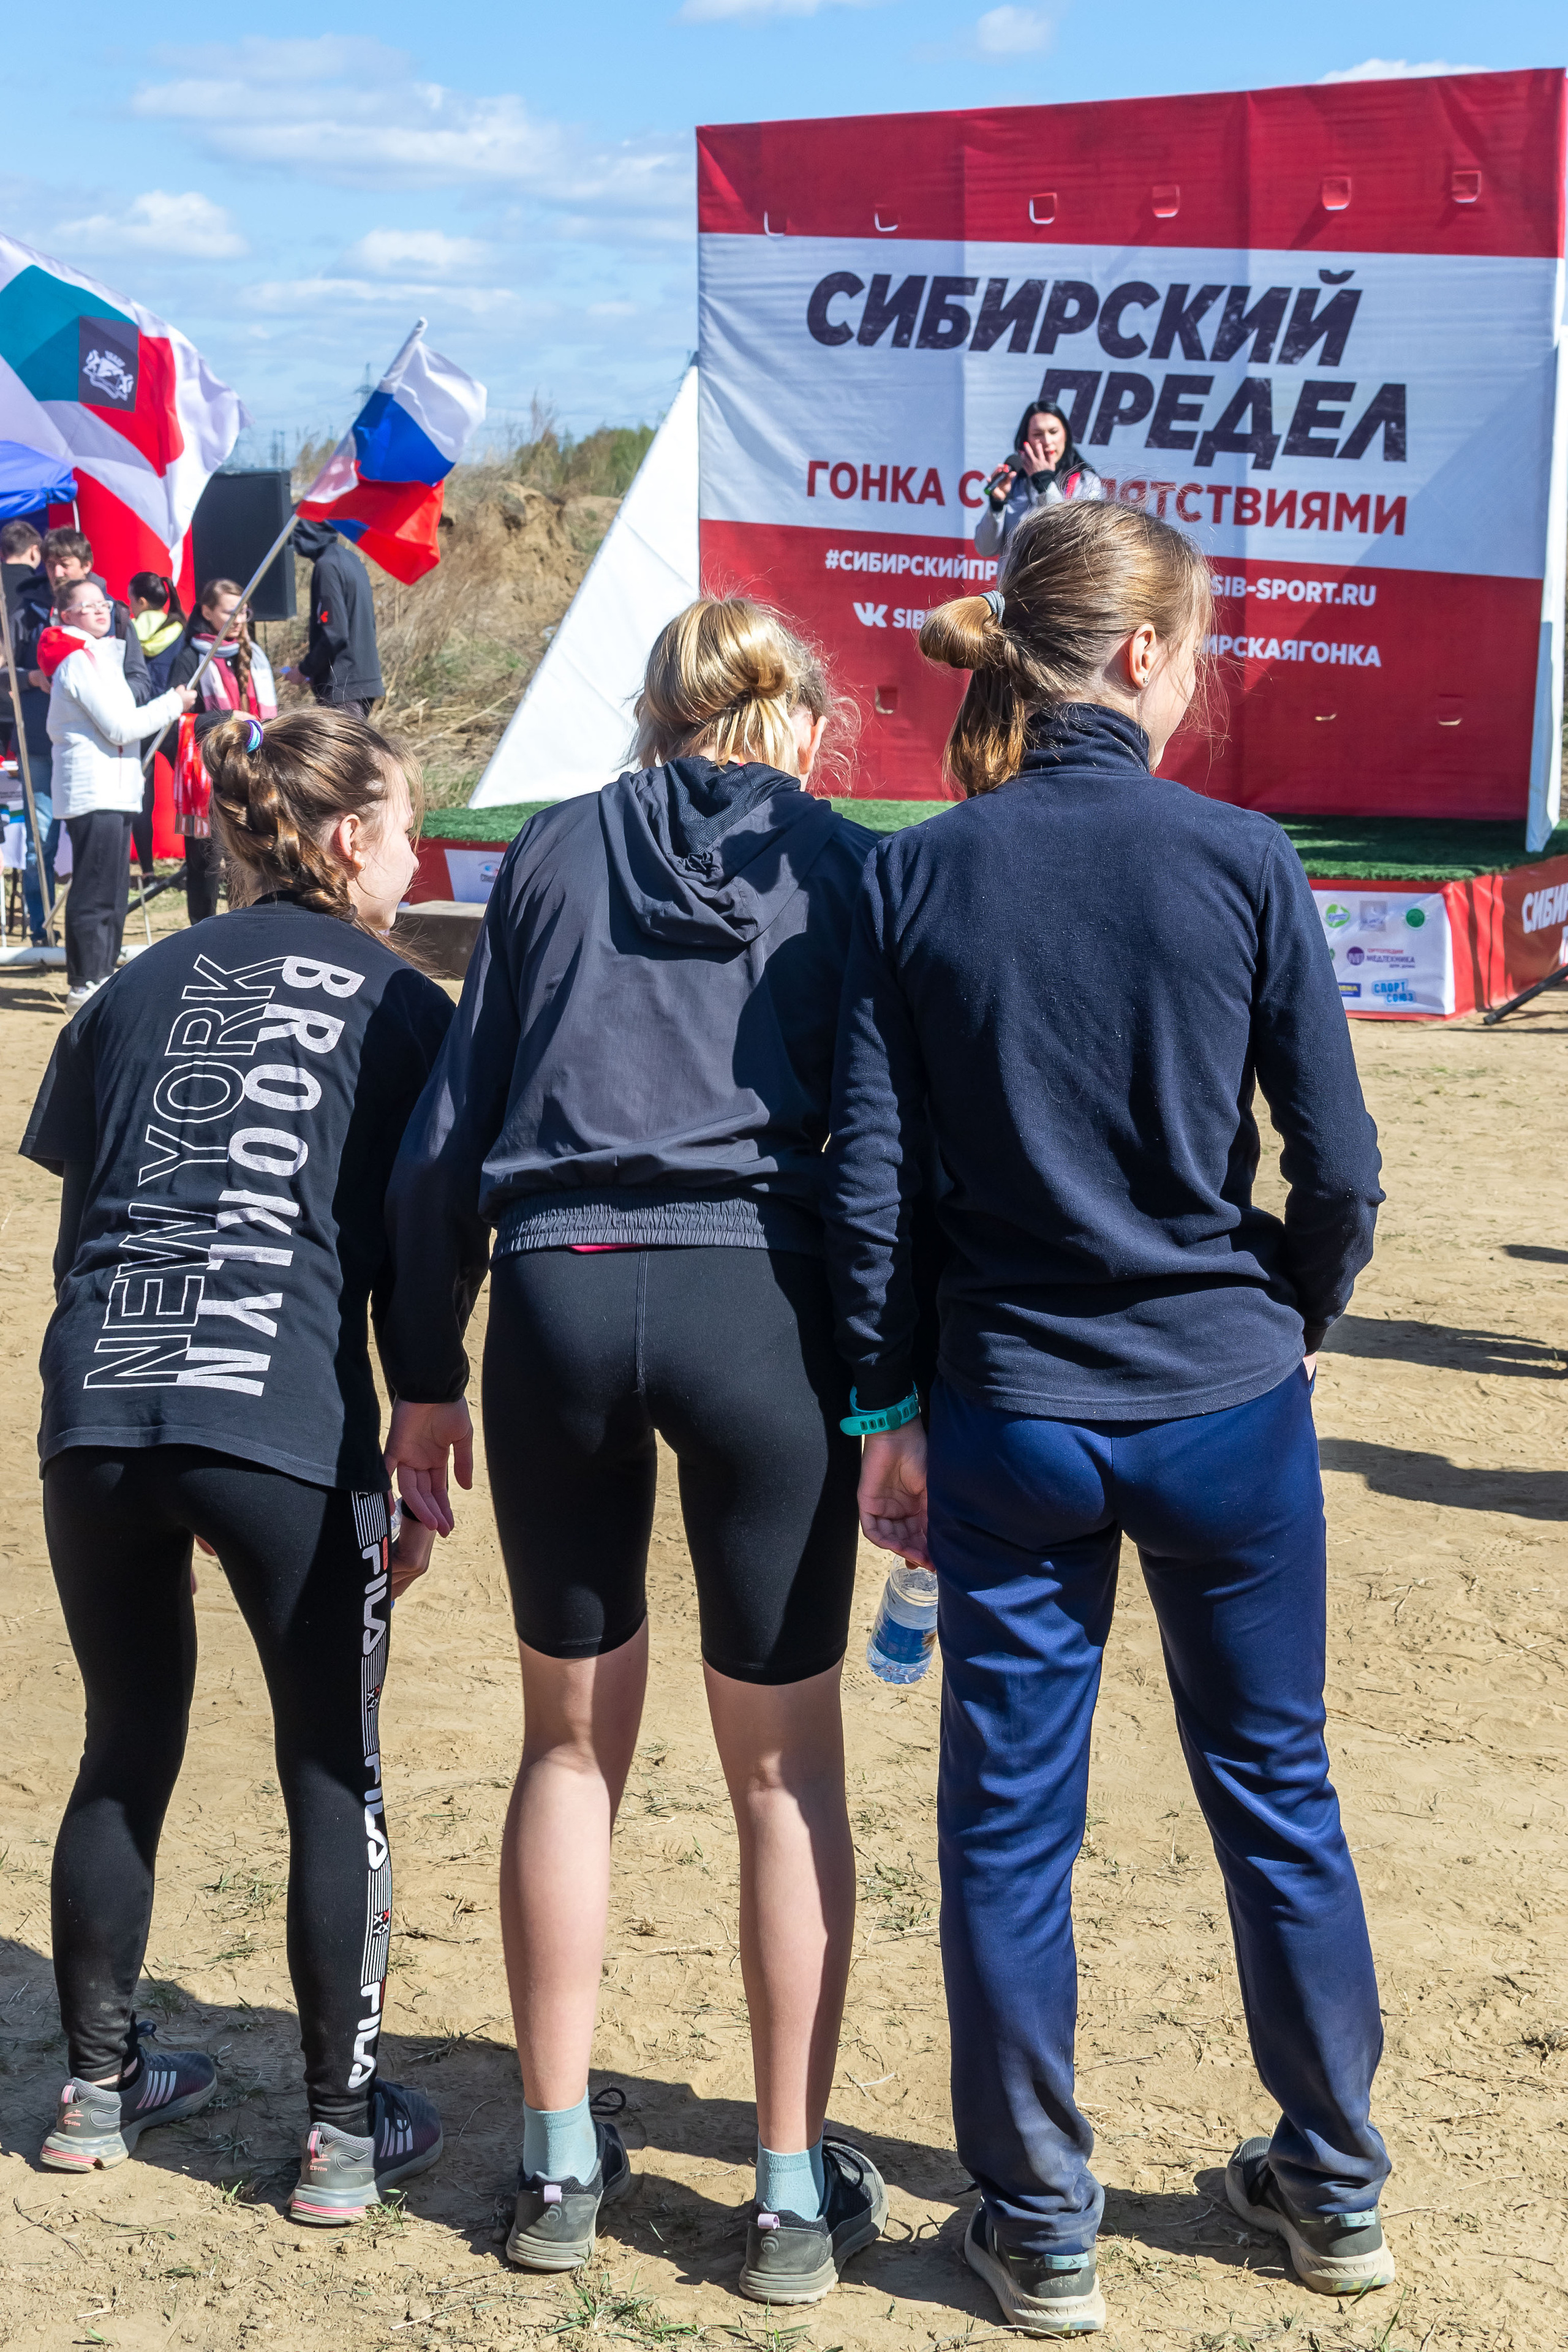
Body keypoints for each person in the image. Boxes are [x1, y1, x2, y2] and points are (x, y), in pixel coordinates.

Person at [824, 500, 1393, 2336]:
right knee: (1277, 1790)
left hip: (1011, 1405)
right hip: (1222, 1395)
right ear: (1142, 653)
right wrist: (1289, 1313)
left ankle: (1038, 2221)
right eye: (1196, 644)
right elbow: (1338, 1166)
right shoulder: (1241, 857)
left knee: (1005, 1826)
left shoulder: (916, 873)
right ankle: (1331, 2185)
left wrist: (885, 1402)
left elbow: (871, 1190)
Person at [381, 598, 888, 2304]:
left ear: (656, 714)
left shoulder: (547, 852)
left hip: (561, 1295)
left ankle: (552, 2165)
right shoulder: (843, 862)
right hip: (766, 1306)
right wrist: (896, 1378)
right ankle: (790, 2196)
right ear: (792, 718)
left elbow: (450, 1129)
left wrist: (424, 1369)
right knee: (784, 1772)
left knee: (567, 1746)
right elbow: (884, 1142)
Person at [21, 707, 455, 2223]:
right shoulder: (402, 1003)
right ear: (348, 836)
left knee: (123, 1739)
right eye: (408, 827)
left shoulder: (133, 985)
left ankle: (93, 2093)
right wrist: (424, 1428)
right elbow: (417, 1256)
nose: (420, 858)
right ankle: (340, 2133)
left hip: (98, 1408)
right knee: (332, 1763)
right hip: (275, 1413)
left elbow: (82, 1232)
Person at [40, 579, 192, 1006]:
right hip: (94, 790)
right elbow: (121, 728)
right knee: (94, 891)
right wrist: (173, 704)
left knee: (113, 891)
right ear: (66, 616)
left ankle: (103, 974)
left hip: (117, 788)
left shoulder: (103, 656)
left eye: (103, 603)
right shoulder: (76, 661)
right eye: (87, 606)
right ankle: (84, 980)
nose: (100, 610)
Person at [166, 579, 279, 925]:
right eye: (231, 612)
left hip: (253, 771)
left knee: (250, 859)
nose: (240, 619)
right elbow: (173, 722)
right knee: (207, 863)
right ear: (207, 612)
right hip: (210, 777)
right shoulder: (191, 659)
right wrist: (228, 717)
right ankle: (202, 931)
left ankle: (244, 928)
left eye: (244, 612)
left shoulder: (254, 655)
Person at [0, 518, 56, 942]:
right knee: (40, 834)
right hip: (27, 726)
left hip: (26, 727)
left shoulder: (94, 606)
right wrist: (31, 678)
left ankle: (44, 928)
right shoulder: (25, 603)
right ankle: (42, 927)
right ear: (37, 555)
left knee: (38, 833)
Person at [974, 402, 1103, 560]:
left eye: (1053, 432)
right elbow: (985, 548)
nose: (1047, 441)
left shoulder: (1086, 482)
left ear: (1066, 435)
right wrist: (997, 505)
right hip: (1015, 576)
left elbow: (1072, 542)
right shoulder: (1013, 481)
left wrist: (1045, 485)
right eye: (1037, 434)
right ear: (1026, 440)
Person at [288, 519, 383, 714]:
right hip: (360, 681)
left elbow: (335, 634)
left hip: (344, 687)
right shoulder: (350, 559)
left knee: (343, 736)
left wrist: (305, 670)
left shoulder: (327, 566)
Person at [126, 576, 186, 878]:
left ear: (140, 601)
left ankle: (147, 872)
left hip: (141, 721)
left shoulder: (128, 633)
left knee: (142, 798)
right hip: (175, 720)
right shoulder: (181, 629)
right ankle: (196, 863)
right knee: (190, 792)